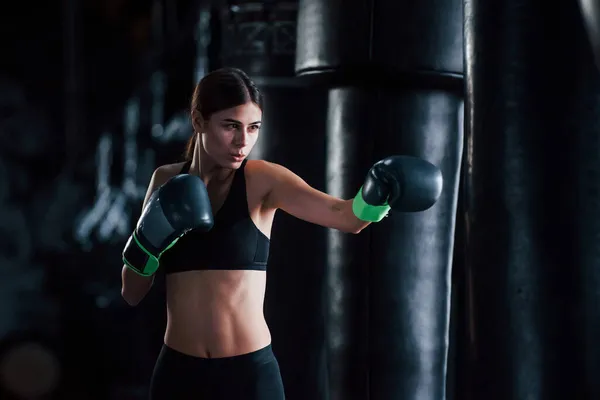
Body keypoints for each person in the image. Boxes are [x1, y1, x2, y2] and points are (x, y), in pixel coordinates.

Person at [120, 67, 443, 400]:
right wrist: (148, 241)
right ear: (199, 121)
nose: (243, 141)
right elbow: (131, 292)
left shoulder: (262, 179)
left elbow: (347, 217)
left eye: (253, 128)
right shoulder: (165, 181)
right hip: (179, 375)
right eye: (231, 126)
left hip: (248, 376)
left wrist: (376, 196)